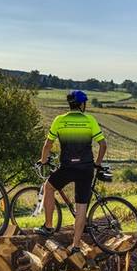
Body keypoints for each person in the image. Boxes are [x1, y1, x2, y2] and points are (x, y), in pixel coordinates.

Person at [35, 90, 107, 253]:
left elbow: (48, 145)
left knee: (49, 187)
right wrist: (97, 163)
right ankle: (75, 246)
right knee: (81, 207)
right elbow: (103, 145)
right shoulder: (90, 120)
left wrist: (44, 160)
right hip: (86, 168)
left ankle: (48, 226)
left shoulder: (59, 120)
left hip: (67, 167)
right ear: (82, 104)